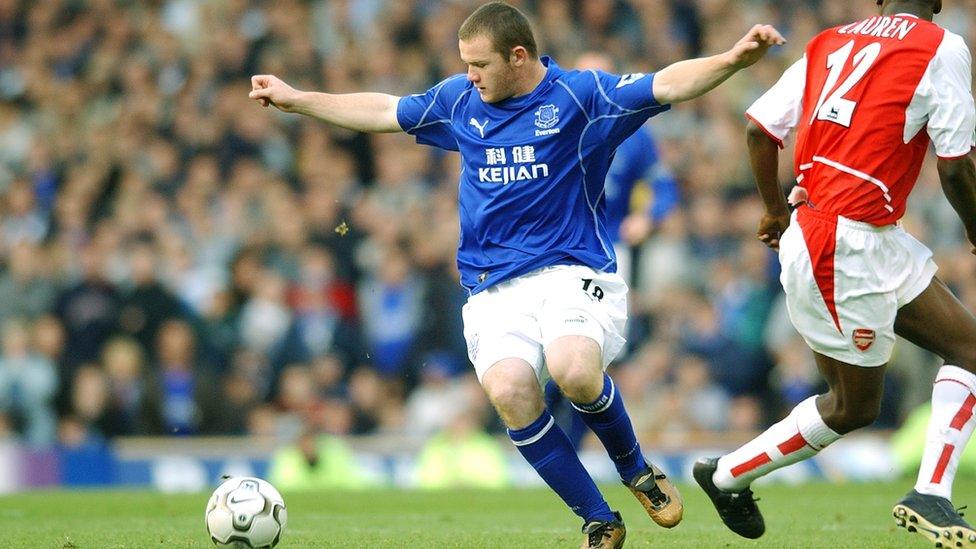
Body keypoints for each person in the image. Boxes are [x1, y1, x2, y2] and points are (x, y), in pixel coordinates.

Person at [250, 3, 784, 547]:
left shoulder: (581, 96)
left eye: (479, 63)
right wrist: (297, 100)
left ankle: (636, 470)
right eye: (465, 64)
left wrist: (733, 59)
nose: (469, 75)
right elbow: (384, 110)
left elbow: (666, 83)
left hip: (571, 268)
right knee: (509, 390)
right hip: (492, 286)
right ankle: (599, 519)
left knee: (573, 369)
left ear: (519, 56)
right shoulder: (460, 100)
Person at [692, 1, 976, 546]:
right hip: (841, 244)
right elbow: (957, 163)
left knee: (969, 350)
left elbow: (759, 129)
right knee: (852, 406)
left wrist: (775, 209)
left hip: (862, 234)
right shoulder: (942, 45)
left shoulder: (829, 42)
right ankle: (726, 474)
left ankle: (931, 494)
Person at [544, 50, 681, 451]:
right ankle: (557, 442)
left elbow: (665, 188)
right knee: (552, 347)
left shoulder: (635, 134)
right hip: (556, 246)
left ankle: (573, 444)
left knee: (595, 350)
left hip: (607, 245)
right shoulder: (551, 123)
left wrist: (648, 217)